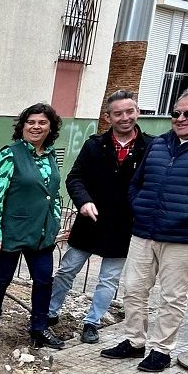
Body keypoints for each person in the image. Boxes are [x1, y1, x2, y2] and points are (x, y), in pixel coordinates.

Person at [101, 89, 188, 372]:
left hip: (183, 237)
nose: (180, 118)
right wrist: (139, 205)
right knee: (133, 289)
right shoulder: (160, 143)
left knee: (172, 296)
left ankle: (161, 350)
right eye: (176, 113)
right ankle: (134, 341)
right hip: (144, 231)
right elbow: (137, 182)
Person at [46, 90, 153, 345]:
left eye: (129, 112)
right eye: (118, 113)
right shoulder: (95, 145)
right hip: (90, 222)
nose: (125, 118)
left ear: (137, 112)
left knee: (108, 279)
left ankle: (92, 322)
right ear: (108, 117)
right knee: (67, 269)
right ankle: (49, 313)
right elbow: (75, 177)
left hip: (124, 226)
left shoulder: (151, 147)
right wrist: (83, 201)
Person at [0, 103, 64, 350]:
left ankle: (39, 328)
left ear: (51, 127)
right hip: (13, 230)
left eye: (42, 123)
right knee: (2, 278)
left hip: (41, 232)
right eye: (31, 122)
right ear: (23, 126)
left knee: (43, 280)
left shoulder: (50, 155)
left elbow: (54, 193)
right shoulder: (10, 153)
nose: (36, 127)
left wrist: (55, 220)